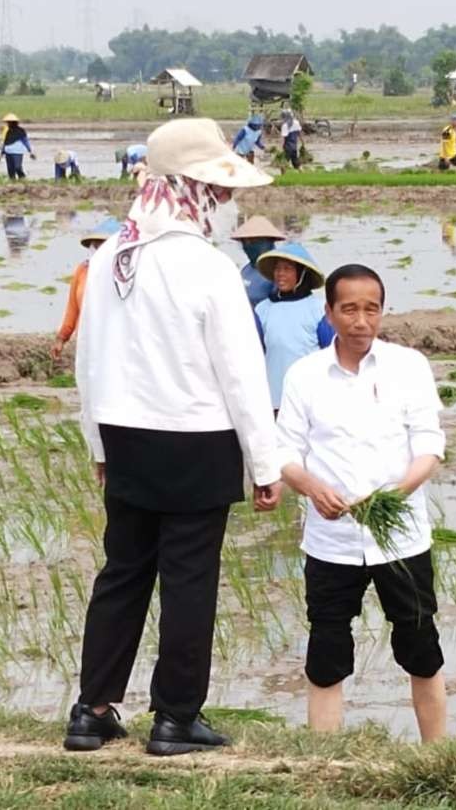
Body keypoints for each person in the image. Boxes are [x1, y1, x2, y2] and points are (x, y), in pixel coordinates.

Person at [67, 118, 282, 757]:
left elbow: (88, 362)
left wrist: (99, 447)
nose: (226, 204)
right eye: (218, 191)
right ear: (193, 191)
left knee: (123, 572)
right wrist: (264, 462)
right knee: (189, 580)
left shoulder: (109, 257)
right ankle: (175, 717)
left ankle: (93, 708)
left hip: (127, 436)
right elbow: (241, 372)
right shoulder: (207, 267)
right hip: (196, 438)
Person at [274, 263, 448, 741]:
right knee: (327, 653)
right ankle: (324, 763)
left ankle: (438, 755)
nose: (360, 320)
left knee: (421, 647)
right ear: (329, 312)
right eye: (348, 309)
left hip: (402, 540)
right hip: (332, 543)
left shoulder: (408, 366)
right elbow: (283, 450)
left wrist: (395, 494)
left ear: (382, 313)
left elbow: (430, 446)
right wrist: (311, 487)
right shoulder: (305, 376)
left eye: (371, 309)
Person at [253, 243, 334, 411]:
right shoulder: (263, 309)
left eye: (287, 269)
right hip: (274, 398)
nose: (280, 274)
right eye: (277, 269)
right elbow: (255, 352)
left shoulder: (318, 309)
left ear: (301, 274)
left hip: (310, 397)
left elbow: (331, 352)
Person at [51, 218, 119, 360]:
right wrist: (61, 338)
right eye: (96, 246)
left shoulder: (124, 275)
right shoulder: (82, 271)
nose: (100, 250)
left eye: (104, 246)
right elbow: (73, 309)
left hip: (115, 343)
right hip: (87, 341)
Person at [230, 216, 285, 307]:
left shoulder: (279, 271)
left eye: (253, 241)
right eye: (244, 242)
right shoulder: (246, 270)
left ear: (269, 241)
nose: (247, 246)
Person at [0, 113, 35, 180]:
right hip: (8, 152)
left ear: (14, 123)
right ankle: (13, 181)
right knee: (10, 169)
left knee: (17, 167)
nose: (8, 124)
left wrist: (30, 151)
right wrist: (1, 153)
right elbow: (5, 142)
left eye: (9, 123)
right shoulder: (8, 131)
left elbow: (25, 141)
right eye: (7, 123)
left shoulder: (21, 131)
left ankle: (22, 177)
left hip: (17, 152)